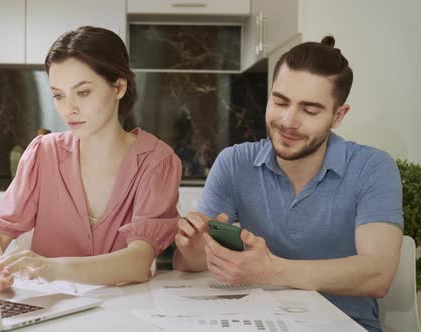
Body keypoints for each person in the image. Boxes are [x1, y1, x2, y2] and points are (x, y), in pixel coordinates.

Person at [173, 36, 403, 332]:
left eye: (309, 110)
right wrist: (195, 245)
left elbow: (378, 274)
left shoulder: (372, 168)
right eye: (280, 101)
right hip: (253, 323)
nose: (287, 121)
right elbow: (188, 263)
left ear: (338, 115)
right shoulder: (234, 163)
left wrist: (271, 270)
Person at [0, 26, 182, 290]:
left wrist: (52, 268)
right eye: (58, 95)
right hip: (50, 313)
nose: (69, 109)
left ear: (119, 87)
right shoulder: (43, 153)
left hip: (124, 315)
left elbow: (138, 261)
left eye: (83, 92)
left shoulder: (156, 162)